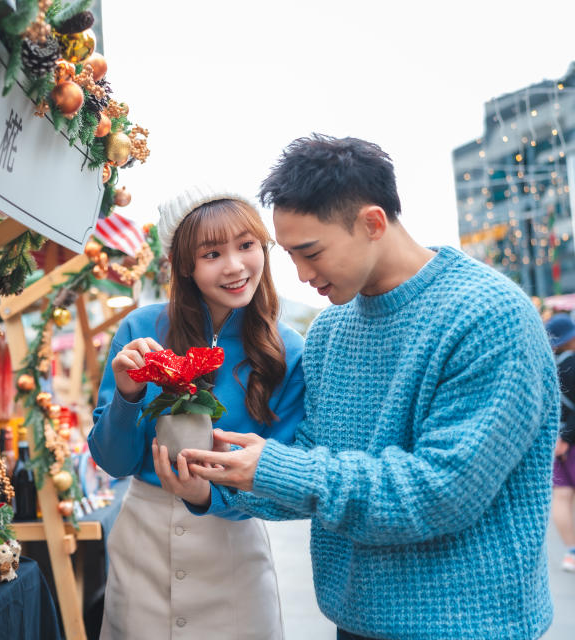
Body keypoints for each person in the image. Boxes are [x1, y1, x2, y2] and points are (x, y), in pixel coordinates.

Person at [155, 135, 558, 640]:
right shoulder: (329, 330)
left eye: (311, 252)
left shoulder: (488, 317)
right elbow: (314, 462)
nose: (300, 274)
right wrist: (216, 487)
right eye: (290, 254)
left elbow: (439, 492)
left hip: (472, 626)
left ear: (372, 223)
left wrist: (275, 466)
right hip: (355, 621)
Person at [88, 186, 306, 639]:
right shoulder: (140, 330)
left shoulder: (286, 351)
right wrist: (127, 395)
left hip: (233, 545)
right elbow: (112, 461)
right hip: (142, 540)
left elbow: (286, 474)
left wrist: (211, 497)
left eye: (246, 246)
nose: (234, 266)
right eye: (212, 253)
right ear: (185, 266)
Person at [544, 313, 575, 572]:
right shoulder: (573, 364)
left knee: (562, 496)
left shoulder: (547, 365)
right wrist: (567, 437)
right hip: (570, 439)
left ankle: (571, 552)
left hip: (554, 441)